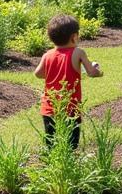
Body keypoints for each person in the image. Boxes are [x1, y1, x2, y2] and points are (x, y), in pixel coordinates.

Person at [34, 14, 104, 147]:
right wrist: (98, 72)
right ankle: (68, 164)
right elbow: (91, 72)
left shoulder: (47, 55)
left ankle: (53, 165)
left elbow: (38, 74)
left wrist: (53, 74)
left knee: (51, 143)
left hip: (49, 107)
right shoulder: (78, 52)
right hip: (70, 108)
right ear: (74, 36)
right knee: (71, 144)